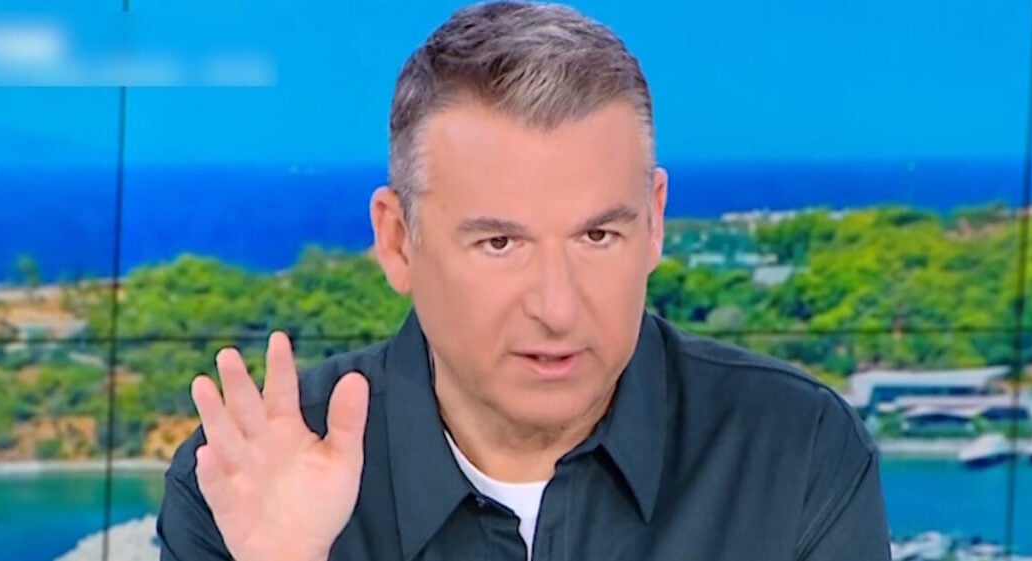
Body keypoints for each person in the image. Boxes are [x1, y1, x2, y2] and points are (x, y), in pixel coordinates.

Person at [156, 2, 892, 560]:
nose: (557, 307)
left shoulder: (793, 450)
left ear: (655, 223)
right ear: (399, 241)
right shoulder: (242, 481)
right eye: (500, 243)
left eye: (597, 236)